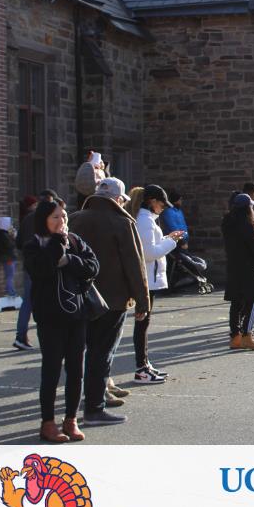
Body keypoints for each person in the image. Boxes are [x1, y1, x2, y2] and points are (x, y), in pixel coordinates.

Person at [70, 177, 150, 426]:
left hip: (79, 297)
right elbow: (134, 265)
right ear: (118, 199)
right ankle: (94, 407)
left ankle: (84, 401)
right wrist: (143, 301)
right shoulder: (122, 222)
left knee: (82, 352)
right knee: (102, 353)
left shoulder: (75, 219)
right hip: (113, 299)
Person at [23, 199, 99, 443]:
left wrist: (70, 260)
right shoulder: (34, 245)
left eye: (64, 216)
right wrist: (57, 243)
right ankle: (48, 423)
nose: (61, 221)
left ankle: (71, 419)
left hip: (77, 313)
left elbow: (93, 267)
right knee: (52, 370)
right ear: (43, 220)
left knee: (76, 369)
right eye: (55, 217)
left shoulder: (75, 241)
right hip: (50, 317)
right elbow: (41, 270)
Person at [132, 185, 183, 383]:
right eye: (162, 204)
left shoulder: (147, 219)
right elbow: (149, 253)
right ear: (152, 201)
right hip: (147, 279)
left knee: (143, 324)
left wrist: (167, 238)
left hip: (149, 278)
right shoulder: (144, 220)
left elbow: (151, 246)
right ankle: (141, 367)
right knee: (142, 324)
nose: (163, 208)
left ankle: (144, 365)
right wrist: (171, 242)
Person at [222, 194, 254, 349]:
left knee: (236, 303)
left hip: (234, 267)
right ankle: (247, 334)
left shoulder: (227, 223)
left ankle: (235, 336)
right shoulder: (248, 225)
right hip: (249, 268)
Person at [13, 193, 44, 351]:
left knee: (28, 301)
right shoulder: (45, 218)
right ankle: (47, 338)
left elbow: (18, 243)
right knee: (45, 301)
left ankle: (21, 336)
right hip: (43, 266)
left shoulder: (26, 219)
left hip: (29, 265)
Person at [0, 217, 17, 297]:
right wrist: (13, 237)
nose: (10, 225)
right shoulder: (3, 235)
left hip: (8, 257)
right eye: (9, 223)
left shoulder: (3, 234)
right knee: (10, 276)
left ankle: (10, 291)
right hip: (8, 258)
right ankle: (11, 292)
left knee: (9, 276)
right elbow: (10, 245)